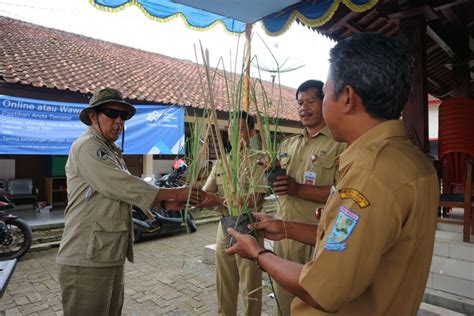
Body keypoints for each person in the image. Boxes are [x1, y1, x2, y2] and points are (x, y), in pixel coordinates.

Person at [226, 32, 439, 315]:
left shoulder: (370, 175)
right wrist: (285, 227)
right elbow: (354, 242)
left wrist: (258, 253)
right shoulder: (412, 161)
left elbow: (321, 287)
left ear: (347, 97)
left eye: (324, 93)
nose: (309, 106)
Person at [56, 88, 199, 316]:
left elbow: (120, 195)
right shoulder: (87, 146)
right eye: (111, 113)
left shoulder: (109, 150)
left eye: (123, 116)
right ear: (93, 116)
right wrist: (180, 193)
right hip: (86, 257)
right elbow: (124, 185)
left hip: (106, 253)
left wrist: (163, 204)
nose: (118, 121)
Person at [270, 79, 346, 315]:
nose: (304, 108)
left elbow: (343, 195)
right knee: (283, 301)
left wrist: (297, 189)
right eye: (300, 103)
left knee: (312, 300)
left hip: (314, 236)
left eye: (311, 101)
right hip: (281, 235)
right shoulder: (287, 144)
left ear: (325, 103)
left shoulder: (340, 145)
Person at [196, 111, 267, 316]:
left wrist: (218, 200)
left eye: (241, 129)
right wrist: (191, 195)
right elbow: (206, 192)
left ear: (252, 132)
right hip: (224, 228)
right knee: (225, 285)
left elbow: (254, 199)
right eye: (231, 129)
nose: (235, 134)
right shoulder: (221, 163)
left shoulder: (259, 161)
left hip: (249, 228)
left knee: (250, 287)